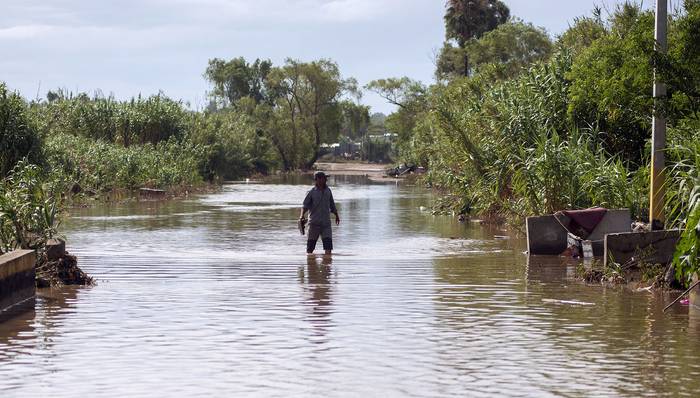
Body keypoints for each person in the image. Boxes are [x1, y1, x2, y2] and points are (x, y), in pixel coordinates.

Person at [300, 171, 340, 255]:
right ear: (318, 179)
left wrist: (336, 215)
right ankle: (311, 266)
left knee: (328, 248)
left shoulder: (328, 191)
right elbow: (305, 205)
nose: (326, 180)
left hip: (326, 224)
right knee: (310, 250)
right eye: (324, 178)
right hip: (314, 223)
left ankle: (327, 267)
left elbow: (332, 204)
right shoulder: (311, 192)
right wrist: (301, 216)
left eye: (326, 178)